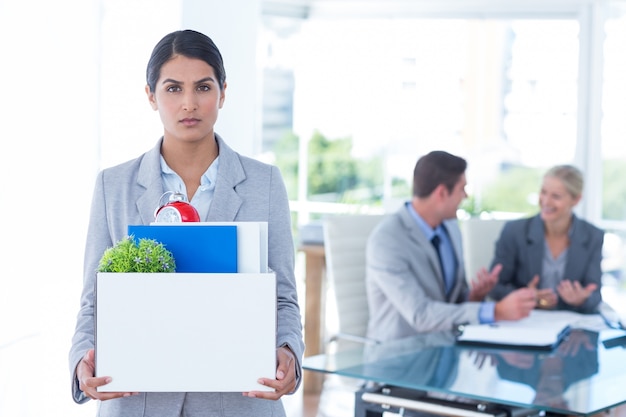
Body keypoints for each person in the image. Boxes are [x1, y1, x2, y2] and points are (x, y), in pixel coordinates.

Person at [68, 29, 304, 416]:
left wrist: (288, 352)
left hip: (238, 401)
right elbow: (94, 299)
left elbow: (283, 296)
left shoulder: (265, 183)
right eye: (174, 89)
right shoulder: (114, 186)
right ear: (151, 96)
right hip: (140, 402)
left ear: (223, 93)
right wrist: (82, 362)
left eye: (204, 87)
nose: (190, 103)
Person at [366, 150, 537, 342]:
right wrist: (495, 311)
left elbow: (450, 303)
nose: (465, 196)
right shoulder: (387, 240)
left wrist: (473, 297)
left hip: (446, 351)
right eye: (461, 188)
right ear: (441, 192)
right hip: (398, 359)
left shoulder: (451, 227)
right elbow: (421, 315)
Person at [488, 165, 603, 314]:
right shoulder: (515, 231)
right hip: (525, 321)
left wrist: (582, 299)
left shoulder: (593, 236)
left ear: (576, 199)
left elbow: (595, 294)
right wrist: (525, 296)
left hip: (570, 324)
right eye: (543, 192)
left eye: (556, 196)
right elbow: (494, 287)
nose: (546, 202)